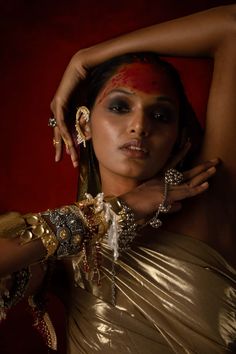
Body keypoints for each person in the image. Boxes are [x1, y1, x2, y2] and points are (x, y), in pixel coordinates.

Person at [1, 4, 236, 354]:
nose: (140, 126)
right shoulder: (68, 253)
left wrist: (85, 58)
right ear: (83, 125)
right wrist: (115, 211)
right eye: (120, 106)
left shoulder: (209, 197)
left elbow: (230, 27)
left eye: (160, 114)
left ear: (179, 136)